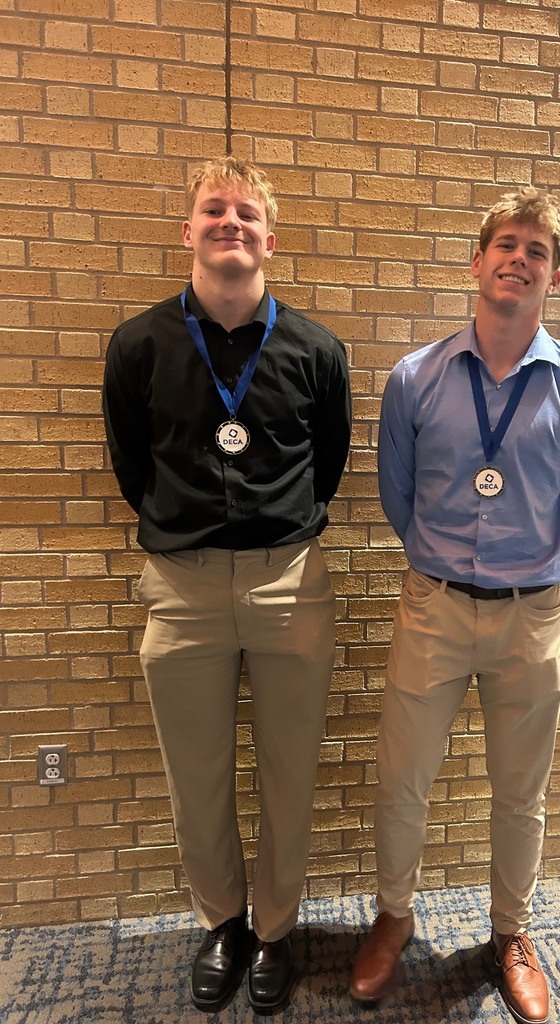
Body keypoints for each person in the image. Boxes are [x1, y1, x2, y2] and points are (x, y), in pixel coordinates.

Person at [349, 187, 560, 1024]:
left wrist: (527, 569)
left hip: (531, 616)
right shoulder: (415, 380)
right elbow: (400, 498)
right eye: (507, 243)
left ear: (555, 279)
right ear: (477, 261)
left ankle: (511, 933)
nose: (519, 260)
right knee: (403, 781)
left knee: (521, 791)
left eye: (538, 252)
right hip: (432, 605)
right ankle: (394, 916)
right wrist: (447, 567)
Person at [102, 156, 351, 1013]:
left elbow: (330, 468)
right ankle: (223, 924)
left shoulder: (317, 349)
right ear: (189, 231)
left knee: (289, 771)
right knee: (196, 773)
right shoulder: (138, 345)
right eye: (215, 210)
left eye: (247, 214)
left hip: (291, 583)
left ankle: (275, 929)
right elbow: (132, 468)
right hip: (182, 585)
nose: (231, 224)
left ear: (270, 241)